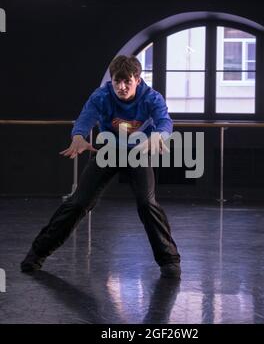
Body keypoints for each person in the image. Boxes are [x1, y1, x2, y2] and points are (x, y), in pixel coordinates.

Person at [20, 55, 181, 278]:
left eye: (127, 82)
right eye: (117, 82)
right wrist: (78, 135)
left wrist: (159, 135)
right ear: (112, 80)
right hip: (108, 151)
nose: (122, 87)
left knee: (147, 203)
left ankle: (169, 261)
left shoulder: (151, 98)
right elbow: (86, 117)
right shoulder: (102, 95)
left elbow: (165, 120)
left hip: (138, 153)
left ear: (138, 79)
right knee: (78, 203)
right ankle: (36, 254)